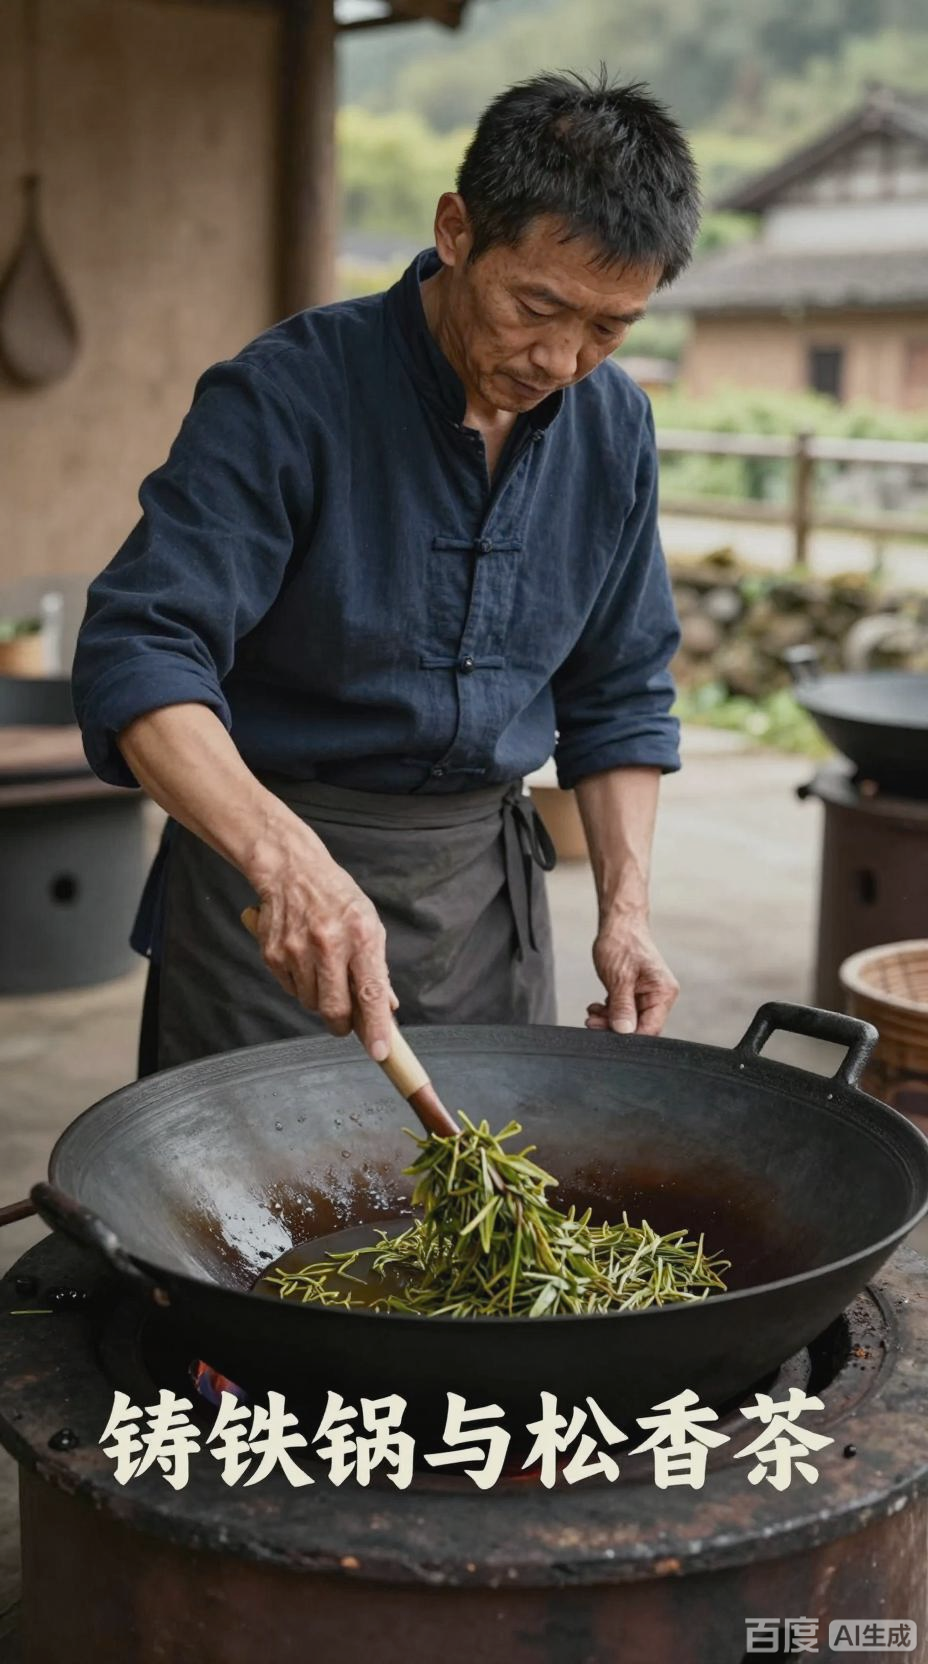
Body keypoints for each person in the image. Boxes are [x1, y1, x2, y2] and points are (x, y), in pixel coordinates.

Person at [72, 69, 701, 1077]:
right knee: (255, 1215)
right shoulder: (288, 395)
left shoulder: (614, 426)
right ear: (457, 229)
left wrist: (624, 912)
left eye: (607, 327)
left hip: (482, 904)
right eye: (536, 304)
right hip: (268, 896)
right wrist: (284, 862)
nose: (560, 358)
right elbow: (141, 651)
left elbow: (618, 690)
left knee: (477, 1209)